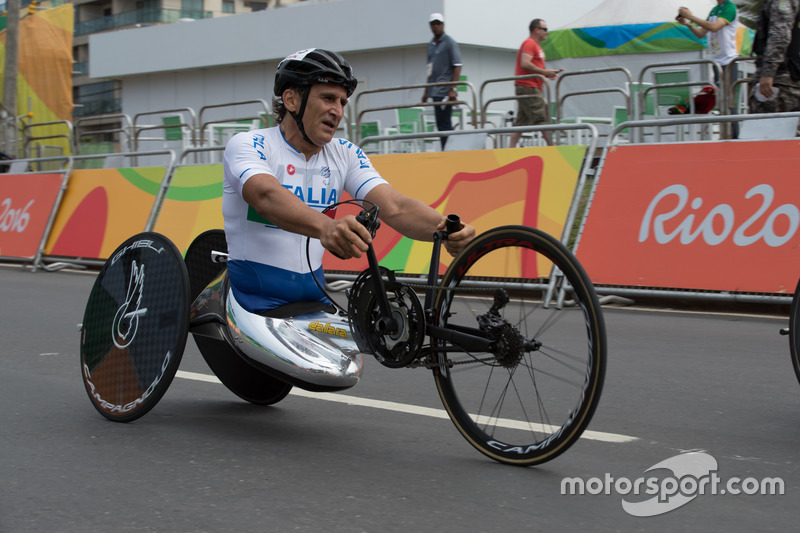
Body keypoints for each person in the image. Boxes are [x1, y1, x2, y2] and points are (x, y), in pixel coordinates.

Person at [222, 48, 476, 314]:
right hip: (252, 302)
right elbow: (265, 196)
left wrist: (444, 229)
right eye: (328, 98)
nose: (338, 111)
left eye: (342, 102)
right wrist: (326, 227)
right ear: (291, 99)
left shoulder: (345, 153)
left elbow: (396, 206)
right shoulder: (249, 143)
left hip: (313, 300)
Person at [676, 1, 739, 136]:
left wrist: (691, 17)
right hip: (716, 62)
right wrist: (687, 23)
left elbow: (715, 27)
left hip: (728, 61)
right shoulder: (714, 10)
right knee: (720, 101)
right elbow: (700, 33)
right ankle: (724, 136)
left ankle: (734, 137)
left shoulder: (730, 8)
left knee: (729, 102)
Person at [509, 19, 563, 148]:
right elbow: (525, 63)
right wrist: (544, 72)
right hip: (528, 86)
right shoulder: (529, 43)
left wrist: (547, 73)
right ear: (536, 30)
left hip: (529, 86)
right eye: (545, 29)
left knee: (521, 123)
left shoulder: (535, 45)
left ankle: (509, 150)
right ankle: (553, 148)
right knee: (542, 119)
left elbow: (531, 65)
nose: (547, 32)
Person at [749, 0, 800, 126]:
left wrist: (768, 73)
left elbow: (780, 36)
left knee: (767, 131)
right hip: (788, 78)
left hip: (780, 81)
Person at [421, 13, 463, 150]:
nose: (436, 26)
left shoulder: (449, 42)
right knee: (440, 123)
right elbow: (429, 69)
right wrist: (426, 91)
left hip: (445, 90)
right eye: (433, 24)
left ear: (443, 25)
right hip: (435, 89)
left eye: (438, 23)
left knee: (445, 123)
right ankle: (446, 149)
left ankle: (449, 151)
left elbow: (457, 65)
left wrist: (453, 89)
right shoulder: (431, 45)